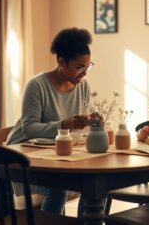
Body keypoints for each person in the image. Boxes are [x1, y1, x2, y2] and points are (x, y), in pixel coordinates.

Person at [7, 27, 94, 215]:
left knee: (94, 188)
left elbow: (84, 126)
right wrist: (65, 125)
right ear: (62, 62)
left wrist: (92, 123)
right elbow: (29, 129)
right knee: (58, 190)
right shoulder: (37, 85)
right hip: (24, 159)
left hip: (57, 156)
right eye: (80, 67)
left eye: (88, 66)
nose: (85, 73)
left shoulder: (83, 86)